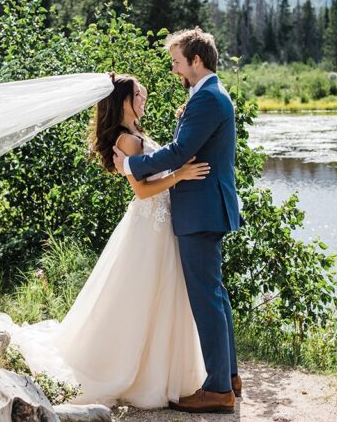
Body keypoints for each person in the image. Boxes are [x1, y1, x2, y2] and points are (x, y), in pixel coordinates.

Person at [0, 72, 211, 409]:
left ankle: (161, 370)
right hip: (149, 227)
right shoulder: (127, 140)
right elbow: (143, 192)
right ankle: (129, 370)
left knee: (158, 298)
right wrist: (180, 175)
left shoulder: (136, 133)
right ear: (124, 102)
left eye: (143, 94)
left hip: (160, 227)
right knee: (139, 298)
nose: (144, 99)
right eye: (139, 95)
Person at [113, 27, 242, 414]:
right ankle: (229, 376)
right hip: (206, 207)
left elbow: (181, 151)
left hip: (200, 209)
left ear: (196, 61)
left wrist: (131, 165)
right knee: (215, 294)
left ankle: (219, 388)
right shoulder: (207, 96)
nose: (174, 70)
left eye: (177, 62)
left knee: (207, 298)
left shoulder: (208, 100)